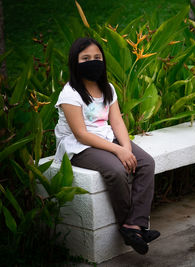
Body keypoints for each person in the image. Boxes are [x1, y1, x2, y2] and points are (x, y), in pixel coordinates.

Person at [54, 37, 159, 254]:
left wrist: (126, 148)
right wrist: (118, 150)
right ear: (76, 62)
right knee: (116, 170)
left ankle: (135, 224)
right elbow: (81, 134)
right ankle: (128, 225)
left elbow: (117, 121)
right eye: (86, 58)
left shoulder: (108, 88)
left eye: (97, 57)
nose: (93, 61)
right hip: (79, 147)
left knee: (146, 163)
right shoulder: (70, 94)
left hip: (106, 138)